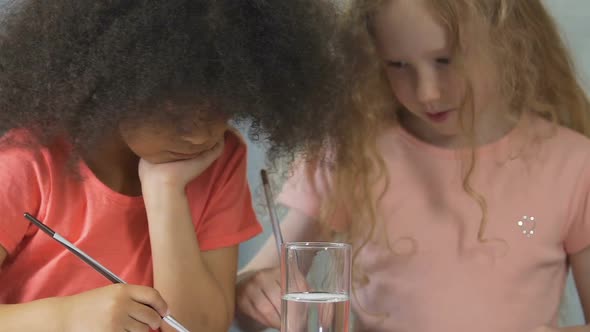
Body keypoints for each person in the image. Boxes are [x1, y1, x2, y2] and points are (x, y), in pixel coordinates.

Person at [0, 1, 360, 331]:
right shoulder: (25, 161)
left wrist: (165, 191)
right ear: (112, 85)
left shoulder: (219, 161)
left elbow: (196, 328)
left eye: (221, 109)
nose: (200, 135)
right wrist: (66, 318)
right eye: (175, 113)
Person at [235, 1, 590, 331]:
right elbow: (257, 289)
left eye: (446, 60)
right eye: (398, 65)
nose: (427, 93)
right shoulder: (352, 152)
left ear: (510, 43)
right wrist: (254, 292)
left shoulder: (574, 164)